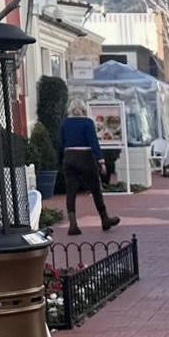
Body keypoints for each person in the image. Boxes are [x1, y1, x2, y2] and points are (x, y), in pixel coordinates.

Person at [61, 98, 120, 236]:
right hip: (85, 157)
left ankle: (73, 224)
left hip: (69, 156)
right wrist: (101, 161)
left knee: (71, 191)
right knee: (95, 188)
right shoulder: (88, 123)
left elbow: (62, 142)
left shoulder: (65, 123)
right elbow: (93, 142)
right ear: (84, 109)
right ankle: (104, 218)